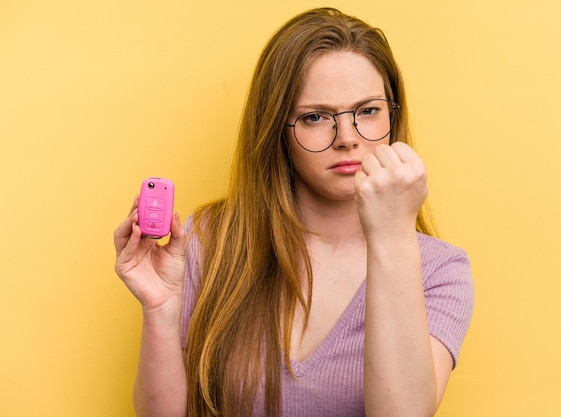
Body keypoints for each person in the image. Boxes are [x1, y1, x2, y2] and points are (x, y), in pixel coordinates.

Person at [114, 7, 474, 417]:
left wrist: (393, 232)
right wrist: (160, 311)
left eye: (368, 111)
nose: (347, 139)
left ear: (394, 113)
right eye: (315, 117)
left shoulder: (441, 270)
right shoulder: (209, 241)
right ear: (275, 129)